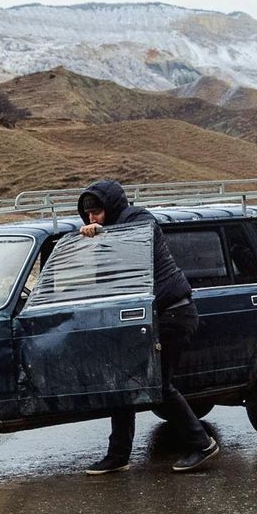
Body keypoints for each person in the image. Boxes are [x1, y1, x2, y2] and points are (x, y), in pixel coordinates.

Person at [75, 179, 219, 474]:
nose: (92, 218)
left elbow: (138, 236)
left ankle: (202, 445)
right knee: (125, 384)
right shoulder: (105, 239)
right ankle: (118, 455)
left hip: (173, 314)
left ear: (111, 207)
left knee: (158, 385)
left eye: (97, 212)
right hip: (145, 318)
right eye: (88, 214)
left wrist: (102, 231)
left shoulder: (136, 218)